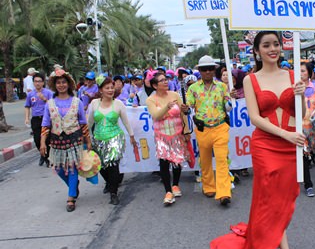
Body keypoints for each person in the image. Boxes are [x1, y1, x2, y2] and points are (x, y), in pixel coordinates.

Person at [210, 31, 306, 249]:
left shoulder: (293, 76)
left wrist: (301, 95)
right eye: (266, 45)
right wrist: (285, 134)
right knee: (271, 199)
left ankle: (271, 238)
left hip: (291, 144)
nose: (272, 48)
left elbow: (301, 114)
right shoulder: (250, 80)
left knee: (285, 199)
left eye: (276, 44)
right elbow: (254, 118)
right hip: (266, 145)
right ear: (257, 50)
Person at [180, 55, 233, 206]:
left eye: (211, 69)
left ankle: (224, 192)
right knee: (205, 160)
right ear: (200, 71)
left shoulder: (222, 87)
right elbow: (188, 106)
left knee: (222, 160)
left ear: (214, 70)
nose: (208, 72)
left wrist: (231, 100)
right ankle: (209, 186)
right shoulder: (193, 88)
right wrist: (185, 108)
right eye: (204, 69)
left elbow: (228, 107)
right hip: (203, 129)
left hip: (220, 127)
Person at [40, 68, 92, 212]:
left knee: (72, 167)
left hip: (74, 138)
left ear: (68, 84)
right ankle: (73, 186)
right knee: (58, 169)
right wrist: (43, 142)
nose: (61, 85)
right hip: (56, 140)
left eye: (64, 82)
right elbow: (45, 124)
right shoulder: (49, 103)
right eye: (58, 83)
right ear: (55, 85)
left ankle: (71, 198)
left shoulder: (77, 102)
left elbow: (83, 123)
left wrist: (88, 141)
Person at [88, 76, 137, 205]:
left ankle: (113, 193)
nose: (110, 90)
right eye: (107, 88)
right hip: (98, 139)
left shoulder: (118, 104)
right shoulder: (94, 104)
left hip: (115, 138)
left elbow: (126, 122)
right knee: (100, 166)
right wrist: (86, 138)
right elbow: (89, 123)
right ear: (100, 90)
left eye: (112, 87)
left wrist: (131, 136)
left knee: (113, 165)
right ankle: (110, 182)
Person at [146, 72, 190, 205]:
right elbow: (156, 115)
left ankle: (175, 184)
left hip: (177, 133)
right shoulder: (151, 100)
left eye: (166, 79)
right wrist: (167, 106)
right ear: (155, 85)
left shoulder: (175, 95)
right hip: (162, 136)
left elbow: (183, 113)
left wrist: (186, 130)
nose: (166, 82)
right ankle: (168, 191)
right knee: (164, 162)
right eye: (162, 81)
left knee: (177, 161)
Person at [301, 62, 315, 197]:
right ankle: (308, 184)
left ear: (309, 73)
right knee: (303, 155)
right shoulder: (292, 88)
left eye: (304, 71)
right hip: (297, 128)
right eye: (299, 71)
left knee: (307, 154)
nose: (301, 73)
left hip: (312, 129)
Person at [25, 73, 53, 166]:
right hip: (36, 119)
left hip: (47, 118)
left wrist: (44, 99)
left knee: (47, 139)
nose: (38, 83)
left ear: (43, 82)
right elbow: (27, 106)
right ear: (33, 82)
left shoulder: (48, 93)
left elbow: (54, 104)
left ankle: (48, 158)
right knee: (37, 139)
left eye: (39, 81)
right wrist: (27, 118)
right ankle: (43, 155)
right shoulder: (30, 94)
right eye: (36, 81)